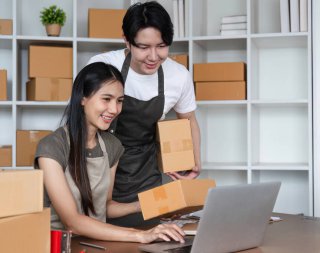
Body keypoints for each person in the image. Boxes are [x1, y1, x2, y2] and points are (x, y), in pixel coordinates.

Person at [34, 62, 185, 243]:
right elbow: (71, 221)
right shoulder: (51, 147)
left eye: (119, 101)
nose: (114, 109)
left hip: (98, 242)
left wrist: (148, 205)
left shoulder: (112, 145)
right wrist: (140, 235)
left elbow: (104, 206)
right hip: (60, 246)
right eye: (106, 99)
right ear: (82, 97)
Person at [87, 1, 201, 227]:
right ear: (126, 41)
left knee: (152, 233)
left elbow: (188, 119)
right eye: (143, 47)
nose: (153, 56)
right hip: (100, 165)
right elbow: (82, 123)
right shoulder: (102, 66)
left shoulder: (178, 76)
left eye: (161, 46)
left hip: (145, 170)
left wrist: (195, 160)